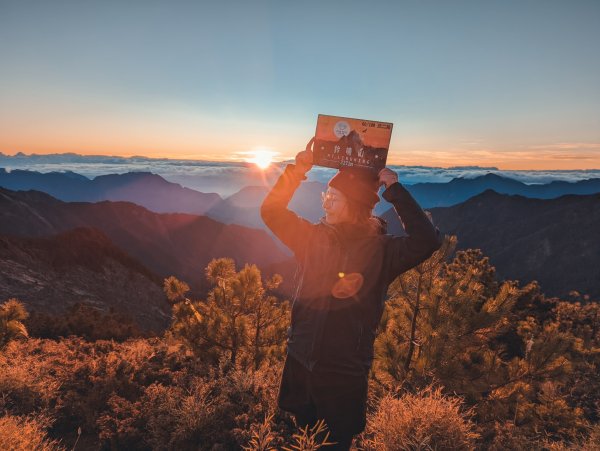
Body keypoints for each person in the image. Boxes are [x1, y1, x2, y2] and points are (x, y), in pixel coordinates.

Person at [260, 138, 442, 450]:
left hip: (343, 372)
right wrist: (298, 170)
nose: (326, 203)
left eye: (334, 198)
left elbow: (427, 240)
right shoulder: (312, 238)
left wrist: (394, 190)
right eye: (326, 195)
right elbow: (271, 211)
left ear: (355, 206)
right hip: (302, 362)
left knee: (334, 444)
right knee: (301, 441)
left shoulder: (382, 252)